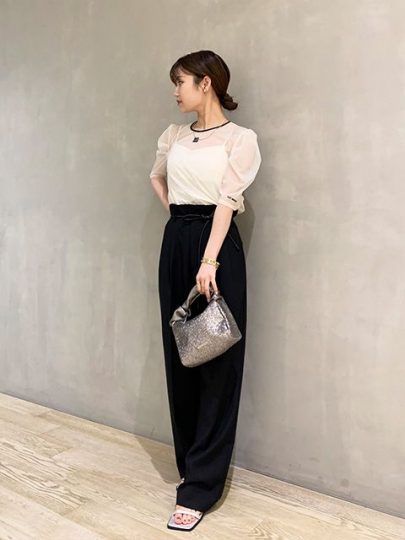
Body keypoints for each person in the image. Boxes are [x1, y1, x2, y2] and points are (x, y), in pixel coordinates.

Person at [149, 50, 262, 532]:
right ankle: (189, 464)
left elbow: (226, 202)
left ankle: (200, 487)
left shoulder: (240, 139)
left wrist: (209, 258)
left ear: (206, 83)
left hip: (216, 249)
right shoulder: (173, 136)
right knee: (182, 353)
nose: (176, 91)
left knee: (218, 361)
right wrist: (179, 219)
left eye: (181, 81)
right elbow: (157, 177)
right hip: (177, 240)